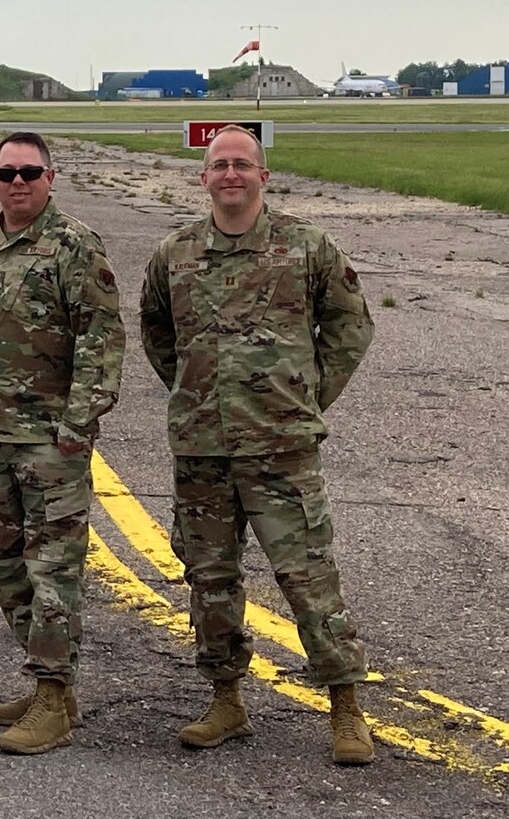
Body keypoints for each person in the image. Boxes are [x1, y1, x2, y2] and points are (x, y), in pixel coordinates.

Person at [139, 123, 376, 765]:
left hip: (282, 448)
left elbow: (351, 327)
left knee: (308, 578)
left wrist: (303, 397)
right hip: (202, 451)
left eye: (244, 164)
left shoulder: (307, 247)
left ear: (263, 176)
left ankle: (347, 709)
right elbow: (158, 333)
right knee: (210, 580)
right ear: (204, 177)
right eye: (220, 165)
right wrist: (197, 393)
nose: (231, 175)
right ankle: (226, 700)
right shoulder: (176, 253)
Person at [0, 131, 125, 755]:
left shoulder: (73, 245)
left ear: (52, 177)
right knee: (7, 567)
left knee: (54, 571)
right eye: (6, 173)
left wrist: (79, 426)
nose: (17, 183)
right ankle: (51, 684)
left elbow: (101, 339)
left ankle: (52, 697)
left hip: (51, 441)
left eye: (29, 172)